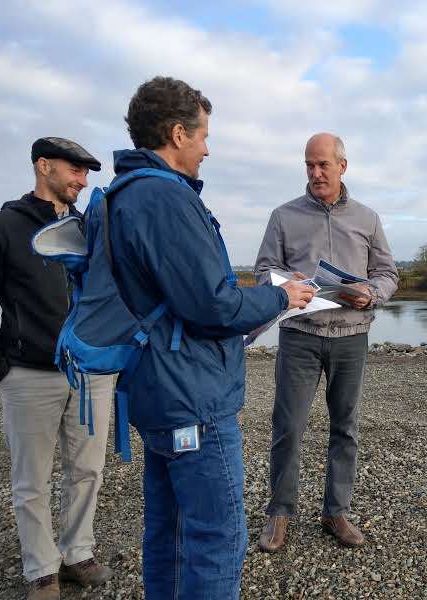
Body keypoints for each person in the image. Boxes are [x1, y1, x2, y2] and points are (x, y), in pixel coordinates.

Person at [107, 76, 315, 599]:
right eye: (202, 136)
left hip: (155, 386)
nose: (207, 148)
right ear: (178, 134)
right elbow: (212, 305)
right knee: (218, 537)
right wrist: (280, 297)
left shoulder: (124, 193)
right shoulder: (164, 197)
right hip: (192, 396)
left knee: (170, 532)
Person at [0, 137, 115, 600]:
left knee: (88, 470)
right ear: (43, 166)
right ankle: (41, 569)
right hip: (28, 374)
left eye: (86, 172)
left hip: (90, 373)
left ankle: (78, 553)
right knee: (31, 481)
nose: (83, 180)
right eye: (74, 169)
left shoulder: (89, 228)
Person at [254, 132, 398, 551]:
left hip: (352, 337)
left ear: (342, 166)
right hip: (300, 335)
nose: (316, 173)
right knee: (288, 426)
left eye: (323, 165)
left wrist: (371, 294)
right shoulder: (283, 216)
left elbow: (388, 273)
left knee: (345, 427)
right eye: (309, 165)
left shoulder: (367, 218)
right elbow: (263, 271)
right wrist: (285, 281)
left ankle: (336, 511)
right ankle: (280, 512)